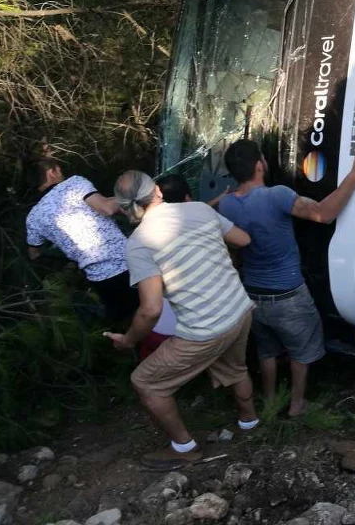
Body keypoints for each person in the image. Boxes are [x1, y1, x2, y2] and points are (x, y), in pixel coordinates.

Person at [105, 170, 258, 470]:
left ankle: (184, 448)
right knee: (236, 368)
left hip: (205, 329)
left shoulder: (139, 243)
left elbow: (150, 310)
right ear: (157, 191)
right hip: (239, 309)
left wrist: (128, 340)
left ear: (124, 208)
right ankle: (249, 421)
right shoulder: (200, 209)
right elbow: (242, 239)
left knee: (146, 382)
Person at [218, 139, 355, 417]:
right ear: (259, 165)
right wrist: (354, 177)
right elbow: (323, 214)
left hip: (252, 295)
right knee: (301, 352)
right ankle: (297, 404)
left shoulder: (227, 204)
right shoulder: (276, 196)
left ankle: (270, 401)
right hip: (288, 295)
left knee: (266, 351)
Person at [26, 158, 138, 321]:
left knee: (128, 321)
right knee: (156, 312)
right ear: (52, 173)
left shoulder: (33, 217)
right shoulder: (74, 183)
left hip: (97, 278)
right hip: (128, 263)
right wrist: (136, 193)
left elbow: (34, 254)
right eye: (60, 170)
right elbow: (106, 208)